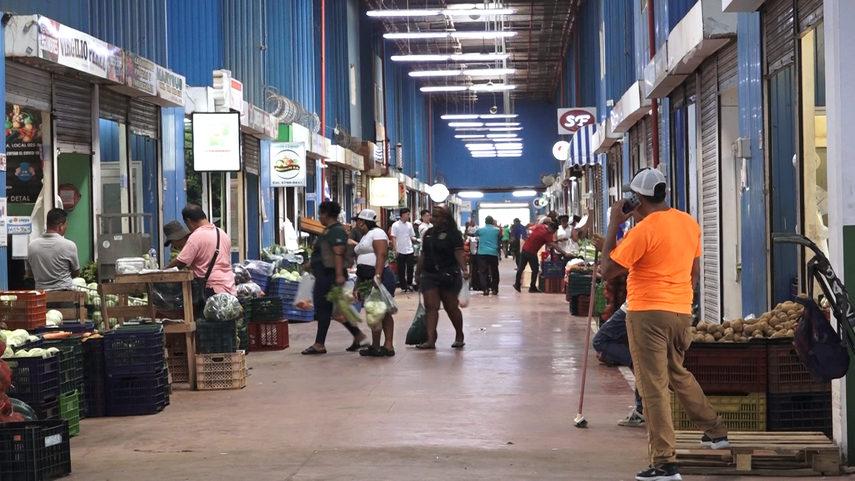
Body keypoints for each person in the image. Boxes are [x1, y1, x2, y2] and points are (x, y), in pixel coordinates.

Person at [598, 168, 728, 481]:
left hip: (647, 314)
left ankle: (664, 462)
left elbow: (607, 270)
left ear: (637, 199)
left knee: (652, 386)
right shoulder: (688, 222)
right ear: (664, 193)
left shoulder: (643, 231)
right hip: (680, 312)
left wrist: (614, 223)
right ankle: (716, 431)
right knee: (677, 373)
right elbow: (694, 273)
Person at [300, 201, 367, 355]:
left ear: (326, 214)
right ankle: (358, 335)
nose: (319, 217)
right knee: (337, 309)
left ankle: (319, 344)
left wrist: (338, 275)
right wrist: (311, 264)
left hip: (329, 275)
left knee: (323, 308)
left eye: (320, 214)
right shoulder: (328, 230)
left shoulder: (336, 230)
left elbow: (338, 253)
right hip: (324, 273)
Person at [415, 204, 468, 349]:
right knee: (431, 307)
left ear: (445, 218)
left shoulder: (453, 234)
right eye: (432, 216)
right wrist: (417, 273)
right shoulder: (429, 233)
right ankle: (430, 340)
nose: (433, 219)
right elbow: (423, 254)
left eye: (437, 216)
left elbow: (459, 253)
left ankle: (459, 335)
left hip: (448, 274)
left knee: (451, 307)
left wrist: (464, 269)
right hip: (429, 274)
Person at [592, 301, 645, 428]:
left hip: (635, 307)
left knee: (600, 340)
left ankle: (635, 362)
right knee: (643, 353)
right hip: (662, 308)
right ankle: (640, 410)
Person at [353, 209, 397, 357]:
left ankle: (388, 345)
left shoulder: (378, 233)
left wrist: (378, 275)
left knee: (383, 311)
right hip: (366, 278)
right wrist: (357, 284)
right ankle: (375, 345)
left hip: (380, 277)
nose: (356, 223)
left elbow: (381, 254)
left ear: (363, 221)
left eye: (357, 220)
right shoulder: (365, 236)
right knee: (374, 311)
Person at [165, 205, 236, 297]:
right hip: (229, 287)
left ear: (189, 221)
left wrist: (161, 272)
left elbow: (180, 263)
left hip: (211, 289)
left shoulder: (196, 236)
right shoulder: (222, 234)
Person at [26, 208, 79, 291]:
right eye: (66, 225)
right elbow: (76, 272)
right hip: (65, 293)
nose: (66, 228)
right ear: (60, 226)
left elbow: (29, 273)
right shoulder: (69, 245)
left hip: (41, 294)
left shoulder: (31, 246)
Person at [513, 222, 567, 293]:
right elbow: (554, 246)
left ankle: (517, 284)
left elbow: (550, 241)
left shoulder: (540, 226)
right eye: (553, 232)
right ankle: (532, 287)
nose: (553, 233)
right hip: (532, 252)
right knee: (535, 270)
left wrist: (558, 240)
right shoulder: (546, 235)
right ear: (551, 229)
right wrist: (565, 253)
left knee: (521, 268)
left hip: (525, 249)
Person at [390, 208, 417, 292]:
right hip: (400, 249)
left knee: (410, 267)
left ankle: (409, 284)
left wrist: (416, 239)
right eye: (407, 214)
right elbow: (393, 237)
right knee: (401, 269)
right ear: (403, 215)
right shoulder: (395, 225)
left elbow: (411, 236)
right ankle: (403, 286)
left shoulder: (409, 225)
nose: (409, 216)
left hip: (409, 249)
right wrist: (395, 249)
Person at [474, 216, 501, 296]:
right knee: (494, 271)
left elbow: (474, 234)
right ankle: (495, 289)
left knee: (483, 271)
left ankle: (485, 289)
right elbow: (500, 238)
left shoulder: (480, 230)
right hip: (493, 253)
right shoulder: (497, 230)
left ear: (485, 222)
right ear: (492, 222)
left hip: (482, 253)